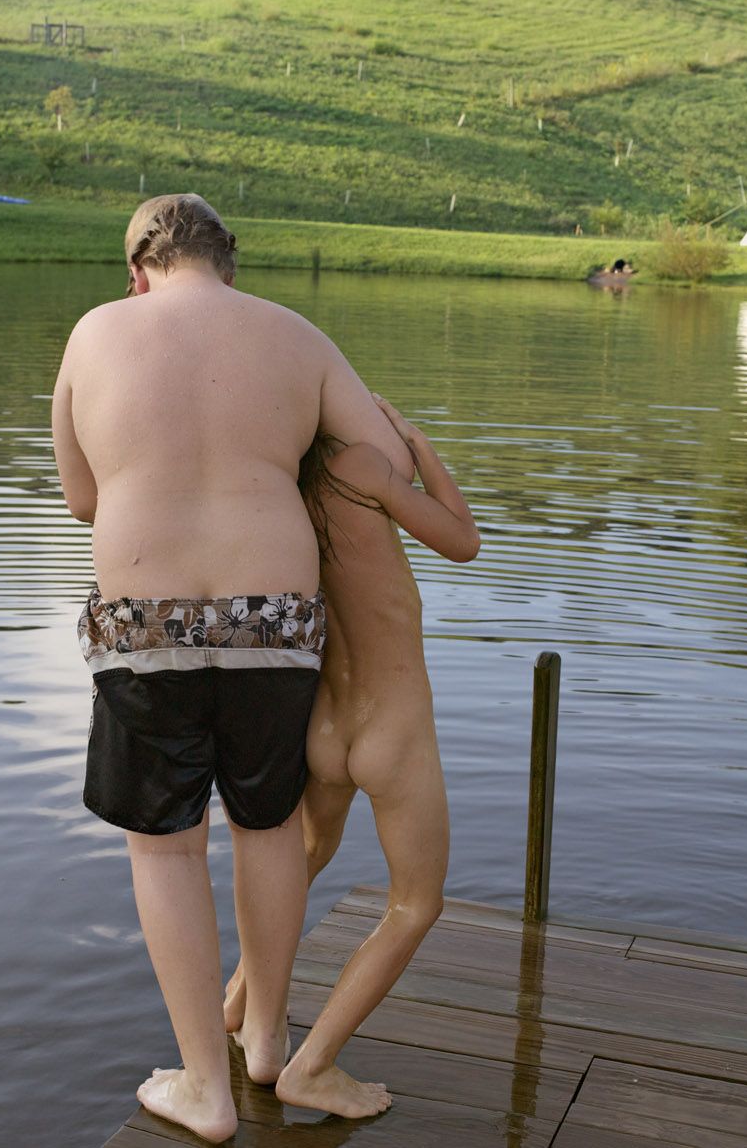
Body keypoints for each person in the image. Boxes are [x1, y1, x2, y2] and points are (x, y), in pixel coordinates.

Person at [52, 193, 412, 1144]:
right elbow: (381, 462)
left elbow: (83, 498)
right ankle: (265, 1043)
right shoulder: (294, 334)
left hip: (144, 624)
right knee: (268, 825)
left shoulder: (96, 332)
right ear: (230, 262)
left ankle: (204, 1090)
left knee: (166, 845)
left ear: (136, 269)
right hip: (278, 623)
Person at [223, 396, 478, 1118]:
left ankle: (237, 1006)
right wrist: (419, 447)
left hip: (325, 725)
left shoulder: (279, 488)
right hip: (390, 726)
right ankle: (315, 1065)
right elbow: (463, 541)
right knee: (414, 904)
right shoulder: (356, 465)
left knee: (302, 855)